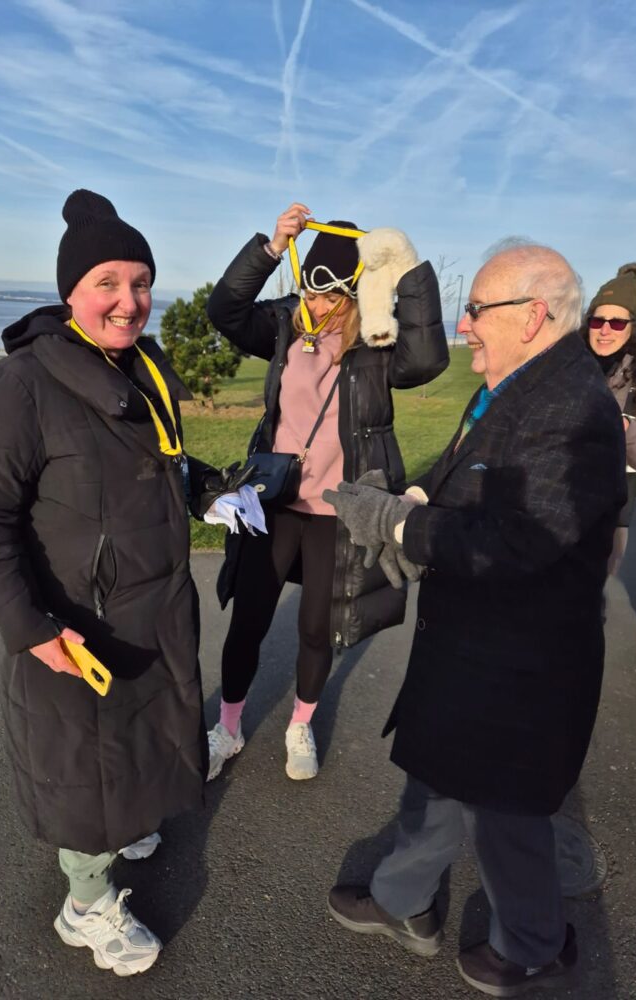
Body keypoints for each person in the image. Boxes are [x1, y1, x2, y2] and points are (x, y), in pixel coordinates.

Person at [0, 190, 249, 977]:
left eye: (142, 281)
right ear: (71, 292)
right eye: (109, 282)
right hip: (73, 628)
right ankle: (85, 906)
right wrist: (31, 628)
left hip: (155, 610)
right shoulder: (19, 387)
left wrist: (211, 490)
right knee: (85, 768)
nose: (130, 301)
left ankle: (126, 826)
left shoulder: (142, 368)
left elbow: (166, 463)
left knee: (141, 742)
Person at [323, 244, 626, 996]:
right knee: (437, 779)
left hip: (521, 664)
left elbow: (523, 539)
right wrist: (420, 498)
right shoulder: (512, 384)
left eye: (476, 310)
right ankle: (403, 902)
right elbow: (466, 470)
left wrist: (397, 528)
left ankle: (534, 945)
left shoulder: (576, 409)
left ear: (532, 315)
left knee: (505, 813)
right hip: (472, 647)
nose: (462, 326)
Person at [204, 203, 449, 782]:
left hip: (338, 508)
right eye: (312, 292)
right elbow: (224, 310)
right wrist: (269, 248)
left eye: (334, 295)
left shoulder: (376, 343)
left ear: (355, 292)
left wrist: (408, 269)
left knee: (319, 626)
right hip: (275, 500)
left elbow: (429, 357)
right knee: (250, 619)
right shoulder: (284, 324)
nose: (319, 306)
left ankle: (299, 724)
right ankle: (229, 727)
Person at [581, 262, 636, 576]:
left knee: (584, 602)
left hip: (608, 510)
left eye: (616, 322)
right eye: (597, 320)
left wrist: (622, 424)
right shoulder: (570, 362)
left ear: (634, 327)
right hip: (551, 499)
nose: (604, 329)